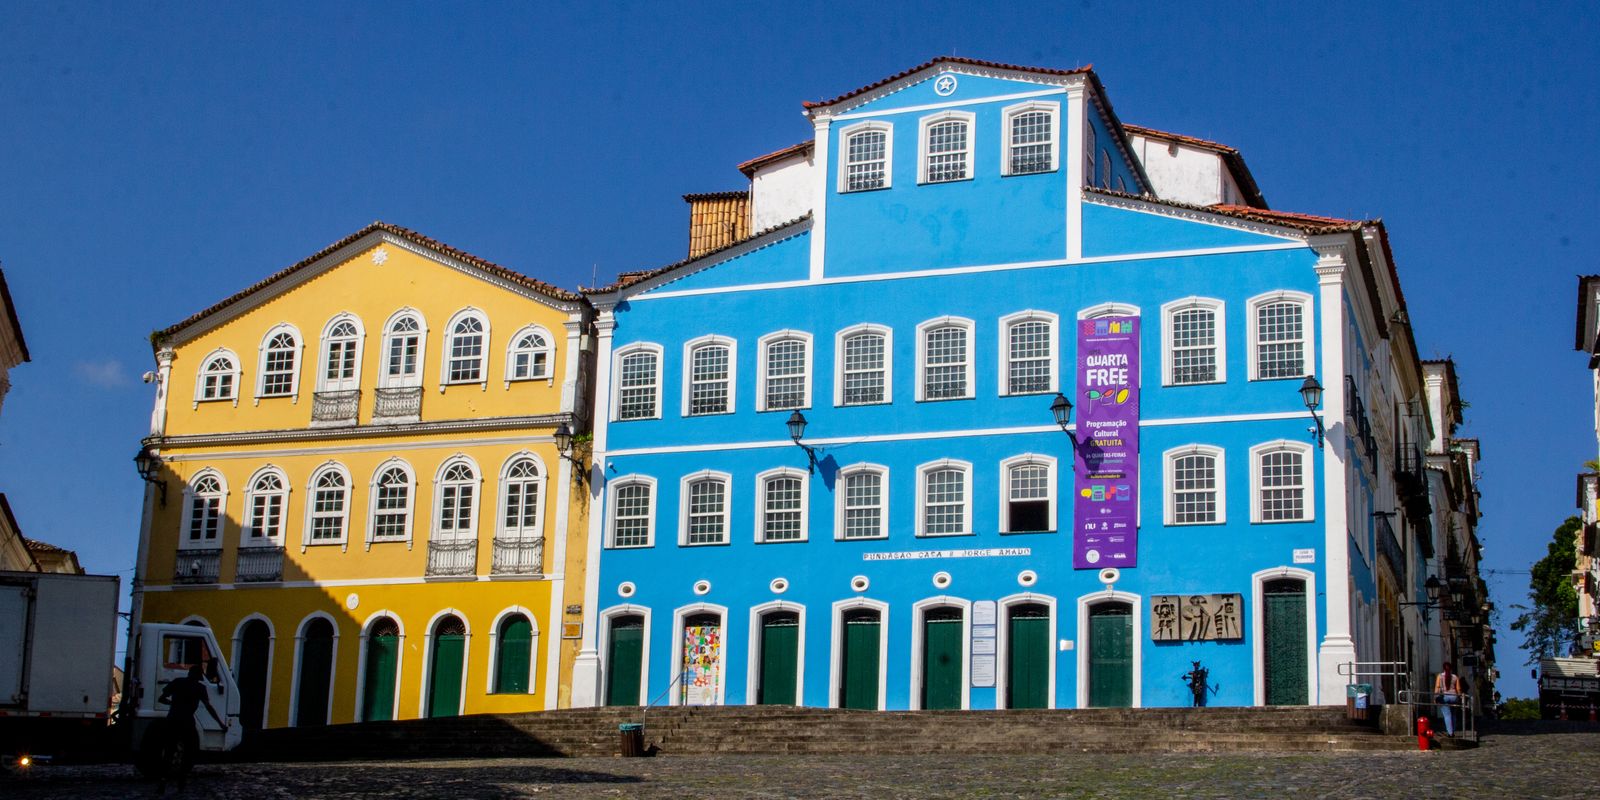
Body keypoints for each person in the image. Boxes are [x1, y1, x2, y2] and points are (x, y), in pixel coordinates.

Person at [156, 665, 228, 791]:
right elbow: (208, 707)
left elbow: (161, 699)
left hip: (172, 719)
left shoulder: (177, 682)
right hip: (187, 721)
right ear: (199, 676)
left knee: (169, 750)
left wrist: (173, 703)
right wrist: (220, 723)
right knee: (189, 751)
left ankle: (163, 779)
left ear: (189, 673)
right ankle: (182, 779)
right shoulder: (200, 688)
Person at [1434, 661, 1462, 737]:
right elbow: (1458, 689)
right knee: (1453, 714)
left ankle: (1450, 733)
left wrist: (1435, 697)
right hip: (1454, 697)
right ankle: (1453, 730)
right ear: (1451, 668)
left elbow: (1437, 688)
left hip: (1444, 697)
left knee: (1447, 715)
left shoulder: (1439, 676)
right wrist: (1459, 698)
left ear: (1443, 668)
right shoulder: (1455, 677)